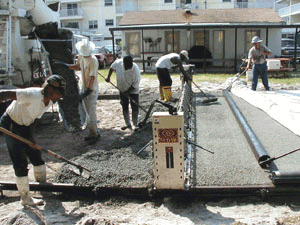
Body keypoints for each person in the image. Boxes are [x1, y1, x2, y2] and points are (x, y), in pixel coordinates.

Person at [0, 75, 66, 206]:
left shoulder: (50, 101)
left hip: (26, 126)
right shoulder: (32, 94)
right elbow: (4, 93)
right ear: (51, 90)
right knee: (20, 162)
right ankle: (26, 199)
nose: (60, 97)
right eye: (59, 93)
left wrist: (32, 139)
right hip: (11, 124)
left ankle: (43, 187)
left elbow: (33, 118)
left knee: (36, 156)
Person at [69, 39, 100, 143]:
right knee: (87, 111)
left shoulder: (93, 60)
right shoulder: (81, 56)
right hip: (84, 87)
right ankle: (93, 132)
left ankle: (94, 135)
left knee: (91, 112)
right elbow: (78, 67)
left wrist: (88, 90)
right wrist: (70, 67)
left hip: (91, 89)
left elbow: (92, 77)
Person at [105, 56, 140, 131]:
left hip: (133, 91)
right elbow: (112, 68)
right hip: (122, 89)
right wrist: (108, 77)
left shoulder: (135, 70)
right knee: (124, 106)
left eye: (129, 66)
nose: (128, 68)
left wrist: (127, 92)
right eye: (126, 66)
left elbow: (135, 85)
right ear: (123, 63)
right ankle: (127, 124)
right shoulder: (118, 63)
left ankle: (135, 124)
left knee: (134, 107)